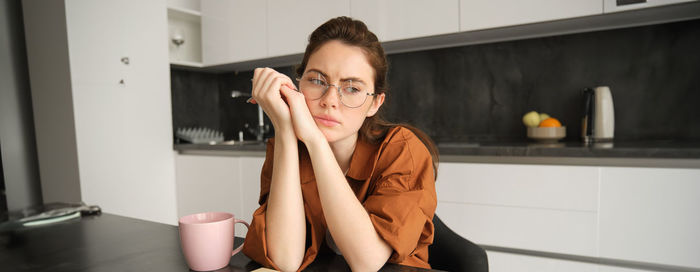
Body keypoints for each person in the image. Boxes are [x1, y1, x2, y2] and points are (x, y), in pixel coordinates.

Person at [242, 16, 439, 272]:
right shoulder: (287, 145)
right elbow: (284, 260)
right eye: (317, 81)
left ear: (375, 103)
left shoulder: (403, 150)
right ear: (298, 86)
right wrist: (285, 131)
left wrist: (314, 140)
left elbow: (367, 262)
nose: (330, 100)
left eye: (352, 88)